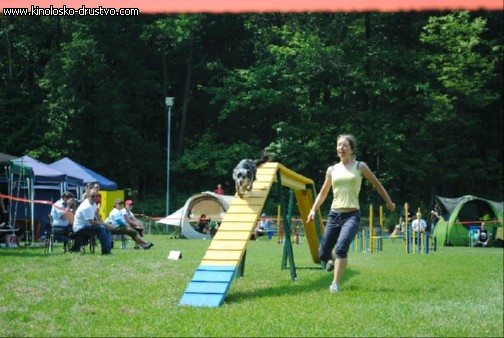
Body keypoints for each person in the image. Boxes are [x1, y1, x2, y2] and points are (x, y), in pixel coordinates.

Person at [307, 134, 395, 293]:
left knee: (341, 248)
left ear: (351, 149)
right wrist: (313, 209)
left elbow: (377, 184)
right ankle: (333, 259)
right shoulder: (331, 169)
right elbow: (323, 193)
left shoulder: (360, 166)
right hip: (334, 215)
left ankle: (335, 284)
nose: (341, 148)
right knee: (322, 254)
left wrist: (388, 202)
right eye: (339, 145)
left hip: (352, 215)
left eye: (345, 145)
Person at [72, 189, 112, 255]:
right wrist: (105, 224)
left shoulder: (93, 204)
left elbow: (98, 218)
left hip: (86, 226)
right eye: (92, 196)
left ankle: (108, 249)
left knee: (105, 227)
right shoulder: (87, 206)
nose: (95, 198)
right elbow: (92, 222)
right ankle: (105, 251)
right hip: (79, 228)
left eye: (96, 196)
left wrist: (106, 225)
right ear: (88, 195)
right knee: (101, 228)